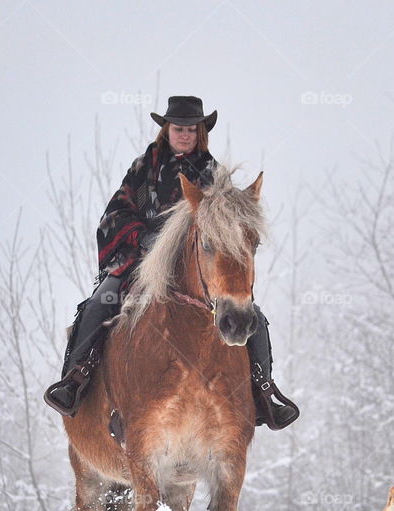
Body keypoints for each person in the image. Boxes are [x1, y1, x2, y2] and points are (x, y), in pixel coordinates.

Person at [43, 96, 299, 429]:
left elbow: (228, 223)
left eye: (191, 129)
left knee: (254, 316)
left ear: (200, 132)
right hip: (142, 262)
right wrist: (142, 238)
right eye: (178, 128)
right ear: (167, 129)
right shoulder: (142, 167)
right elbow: (115, 214)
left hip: (199, 268)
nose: (185, 134)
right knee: (97, 304)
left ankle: (263, 393)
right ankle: (75, 381)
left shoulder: (213, 174)